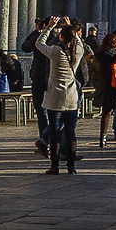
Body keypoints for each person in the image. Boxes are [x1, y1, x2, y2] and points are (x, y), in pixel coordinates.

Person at [33, 19, 85, 175]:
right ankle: (71, 165)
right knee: (71, 133)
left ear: (61, 37)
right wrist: (71, 29)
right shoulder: (78, 51)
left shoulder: (56, 51)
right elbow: (79, 42)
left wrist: (49, 27)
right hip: (72, 97)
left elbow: (39, 43)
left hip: (55, 96)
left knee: (55, 132)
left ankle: (54, 166)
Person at [20, 18, 53, 154]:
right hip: (41, 78)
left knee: (48, 113)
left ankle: (46, 139)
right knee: (41, 113)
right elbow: (25, 47)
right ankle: (44, 140)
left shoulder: (52, 38)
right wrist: (37, 31)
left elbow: (26, 46)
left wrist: (38, 31)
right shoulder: (51, 38)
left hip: (48, 78)